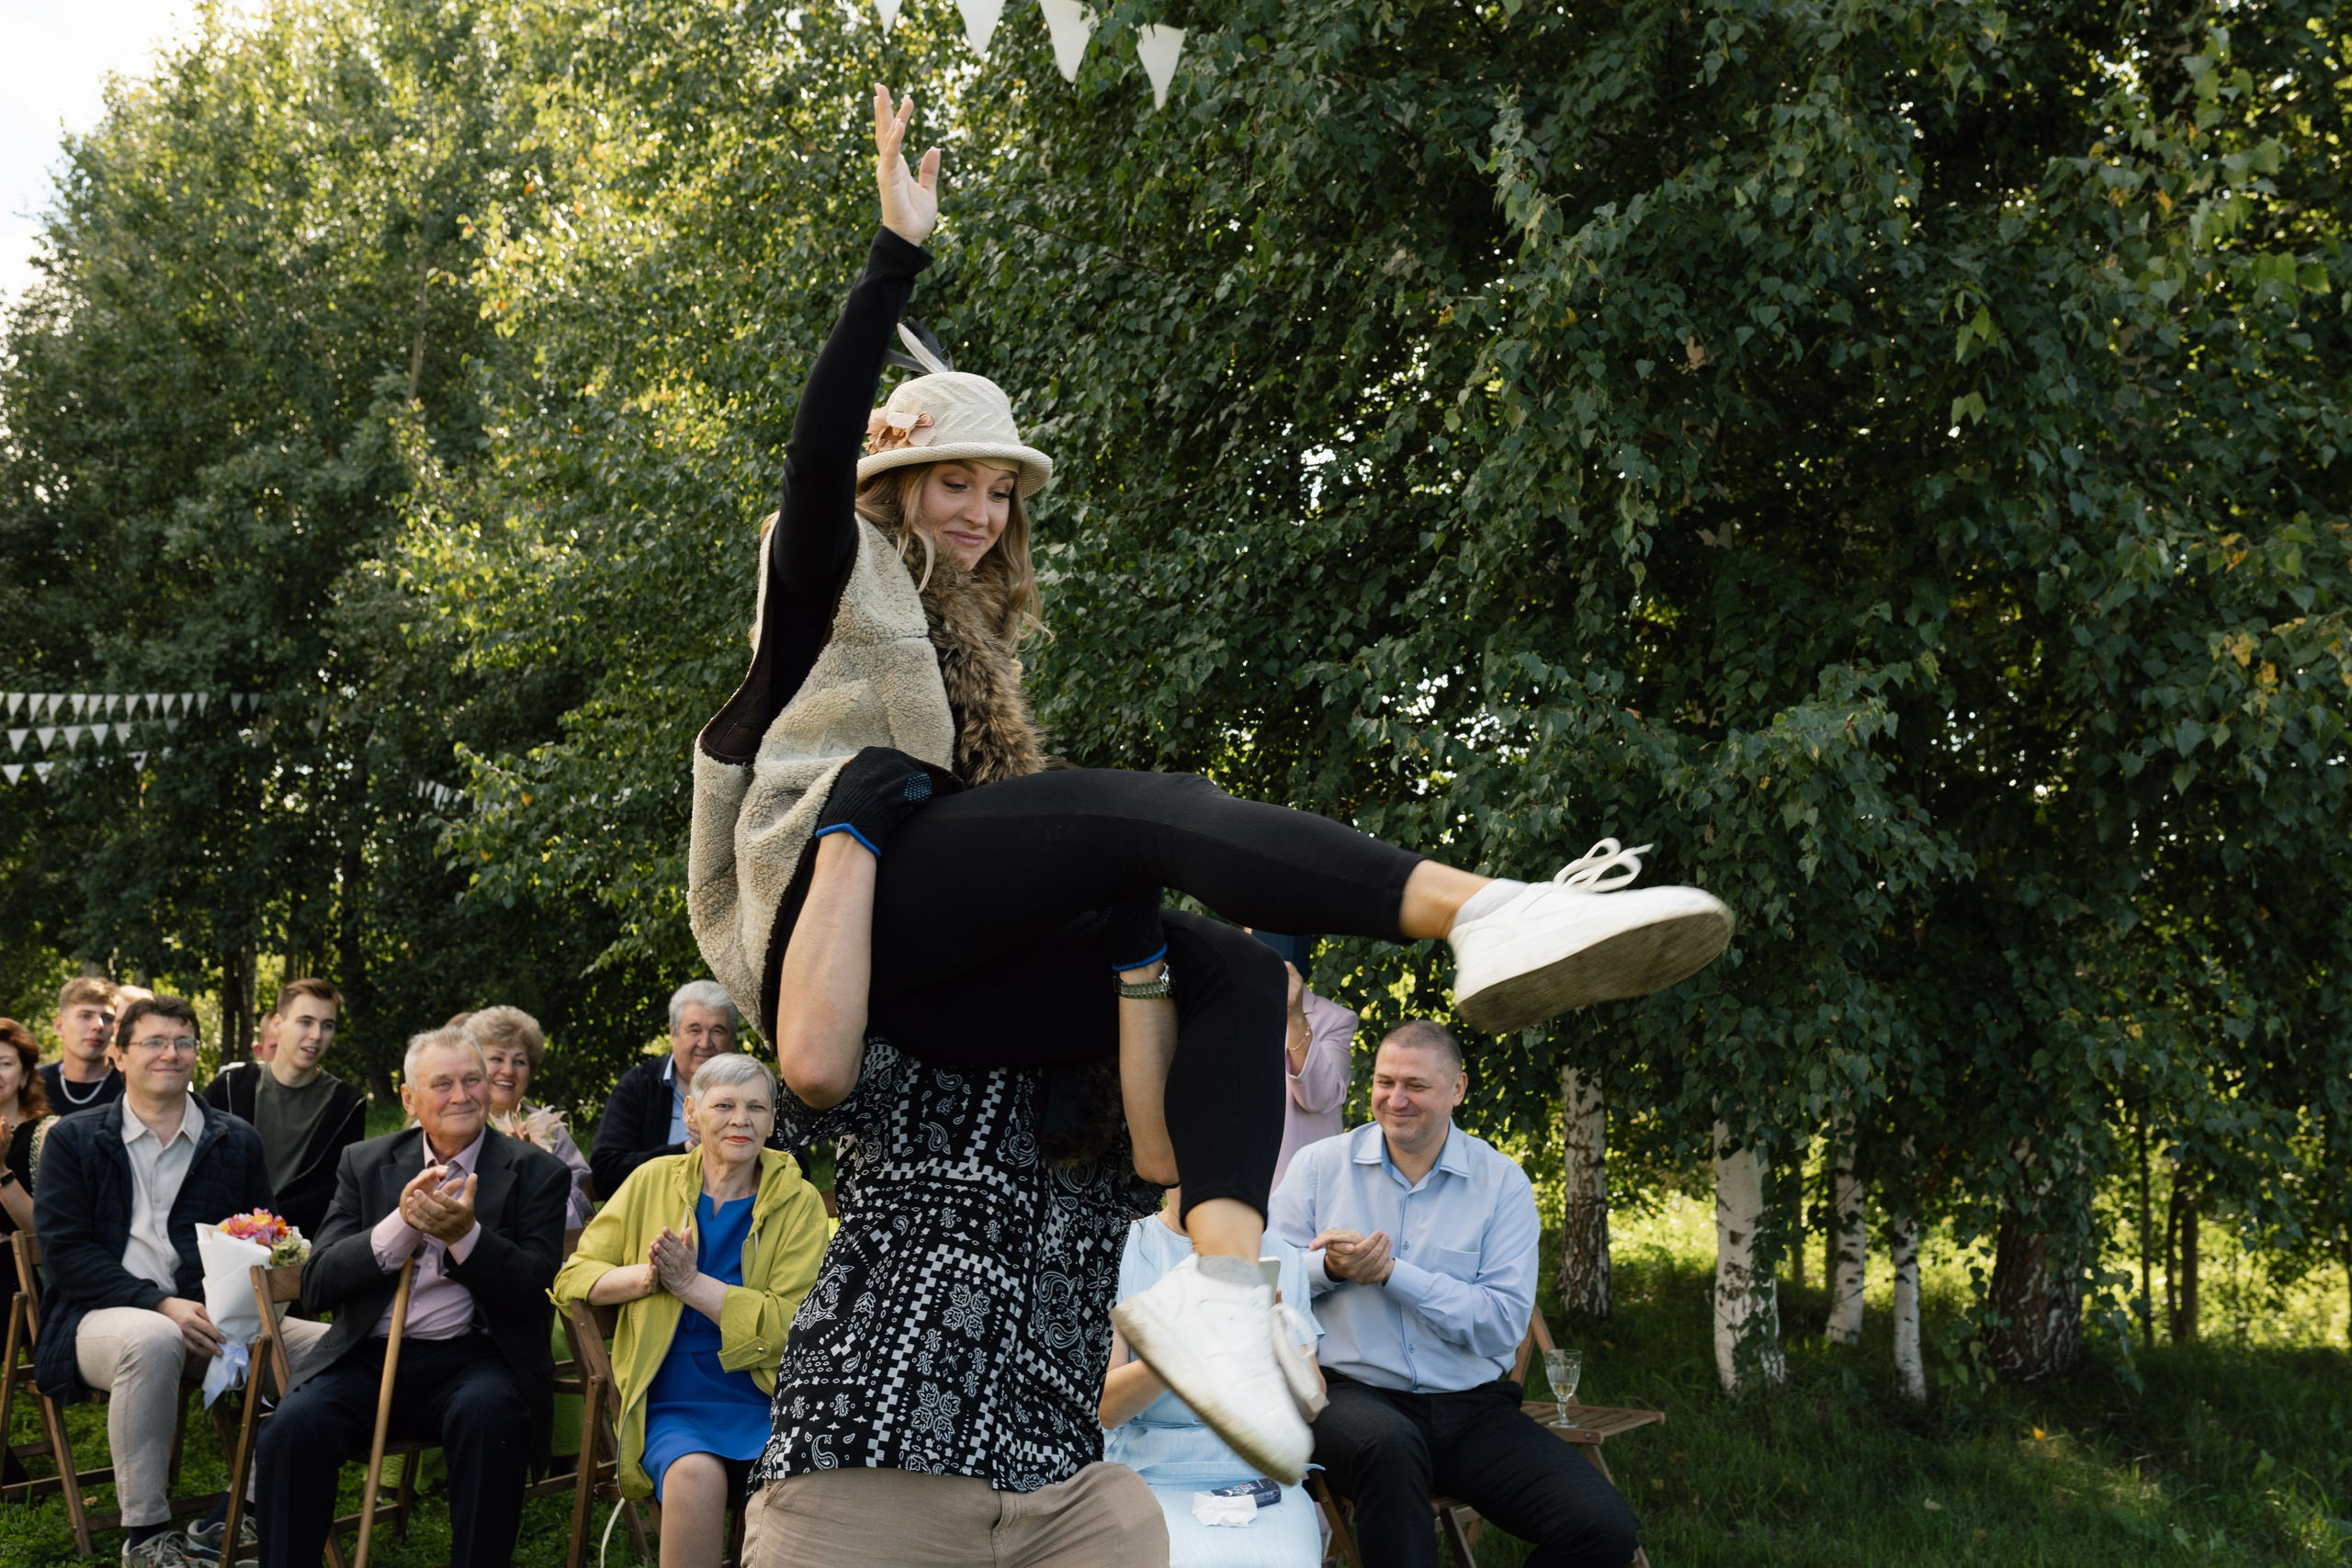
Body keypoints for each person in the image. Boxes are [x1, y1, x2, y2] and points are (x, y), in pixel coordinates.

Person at [693, 83, 1735, 1483]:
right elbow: (819, 455)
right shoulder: (832, 570)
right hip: (839, 892)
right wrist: (896, 257)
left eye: (1002, 492)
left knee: (1234, 974)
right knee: (1142, 816)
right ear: (899, 484)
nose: (984, 511)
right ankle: (1484, 907)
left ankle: (1225, 1290)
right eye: (956, 482)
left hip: (932, 977)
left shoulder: (977, 654)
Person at [739, 932, 1181, 1568]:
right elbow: (812, 1074)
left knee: (1129, 1514)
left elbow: (1162, 1158)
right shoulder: (914, 1029)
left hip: (1059, 1479)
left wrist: (1142, 959)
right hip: (873, 1447)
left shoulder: (1108, 1086)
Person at [1271, 1022, 1638, 1568]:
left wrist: (1394, 1274)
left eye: (1415, 1085)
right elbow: (1268, 1286)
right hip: (1350, 1397)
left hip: (1470, 1410)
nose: (1396, 1099)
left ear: (1458, 1088)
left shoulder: (1501, 1182)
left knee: (1603, 1528)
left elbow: (1502, 1324)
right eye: (1384, 1081)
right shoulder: (1320, 1166)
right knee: (1389, 1447)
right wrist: (1328, 1266)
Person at [30, 996, 335, 1568]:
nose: (170, 1054)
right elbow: (66, 1254)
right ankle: (144, 1539)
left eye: (183, 1042)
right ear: (119, 1056)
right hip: (100, 1318)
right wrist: (160, 1304)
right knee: (154, 1337)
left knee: (328, 1347)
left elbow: (260, 1239)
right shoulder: (73, 1140)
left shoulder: (235, 1139)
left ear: (197, 1053)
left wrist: (268, 1282)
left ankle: (243, 1511)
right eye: (153, 1042)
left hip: (216, 1320)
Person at [253, 1027, 571, 1568]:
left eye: (473, 1080)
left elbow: (535, 1287)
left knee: (492, 1415)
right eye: (442, 1083)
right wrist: (399, 1225)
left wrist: (465, 1237)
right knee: (291, 1428)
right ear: (408, 1099)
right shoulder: (364, 1162)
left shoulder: (536, 1172)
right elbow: (318, 1282)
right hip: (368, 1356)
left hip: (475, 1358)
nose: (461, 1095)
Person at [552, 1055, 826, 1565]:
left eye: (756, 1107)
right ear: (693, 1114)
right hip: (671, 1395)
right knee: (694, 1475)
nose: (740, 1119)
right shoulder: (651, 1179)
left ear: (773, 1120)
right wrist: (646, 1278)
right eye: (724, 1105)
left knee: (810, 1476)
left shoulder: (799, 1200)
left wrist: (691, 1284)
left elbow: (796, 1325)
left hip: (768, 1394)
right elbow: (573, 1275)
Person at [1100, 1186, 1325, 1568]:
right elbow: (1107, 1408)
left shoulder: (1281, 1253)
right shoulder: (1122, 1248)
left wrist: (1278, 1338)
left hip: (1257, 1472)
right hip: (1152, 1470)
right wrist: (1181, 1347)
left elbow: (1310, 1408)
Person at [200, 978, 368, 1237]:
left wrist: (270, 1228)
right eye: (305, 1022)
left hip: (302, 1245)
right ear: (278, 1024)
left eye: (328, 1025)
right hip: (223, 1238)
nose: (316, 1035)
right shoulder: (231, 1088)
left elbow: (334, 1192)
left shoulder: (346, 1104)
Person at [591, 980, 741, 1200]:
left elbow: (794, 1170)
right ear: (673, 1033)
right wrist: (688, 1149)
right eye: (694, 1030)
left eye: (717, 1031)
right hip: (651, 1223)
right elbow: (605, 1175)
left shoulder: (754, 1090)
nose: (705, 1042)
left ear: (732, 1039)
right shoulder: (638, 1086)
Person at [1246, 935, 1360, 1191]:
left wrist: (1294, 1015)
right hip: (1227, 1193)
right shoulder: (1225, 1010)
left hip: (1300, 1194)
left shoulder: (1334, 1019)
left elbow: (1320, 1097)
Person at [468, 1005, 594, 1224]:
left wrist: (543, 1171)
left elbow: (582, 1200)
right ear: (474, 1064)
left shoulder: (550, 1126)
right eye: (497, 1059)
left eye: (519, 1061)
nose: (508, 1070)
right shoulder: (455, 1120)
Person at [41, 976, 123, 1115]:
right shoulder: (36, 1084)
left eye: (108, 1018)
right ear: (59, 1027)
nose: (98, 1026)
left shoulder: (130, 1086)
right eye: (86, 1016)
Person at [0, 1017, 51, 1235]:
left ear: (24, 1076)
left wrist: (0, 1170)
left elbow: (48, 1232)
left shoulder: (46, 1135)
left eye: (5, 1063)